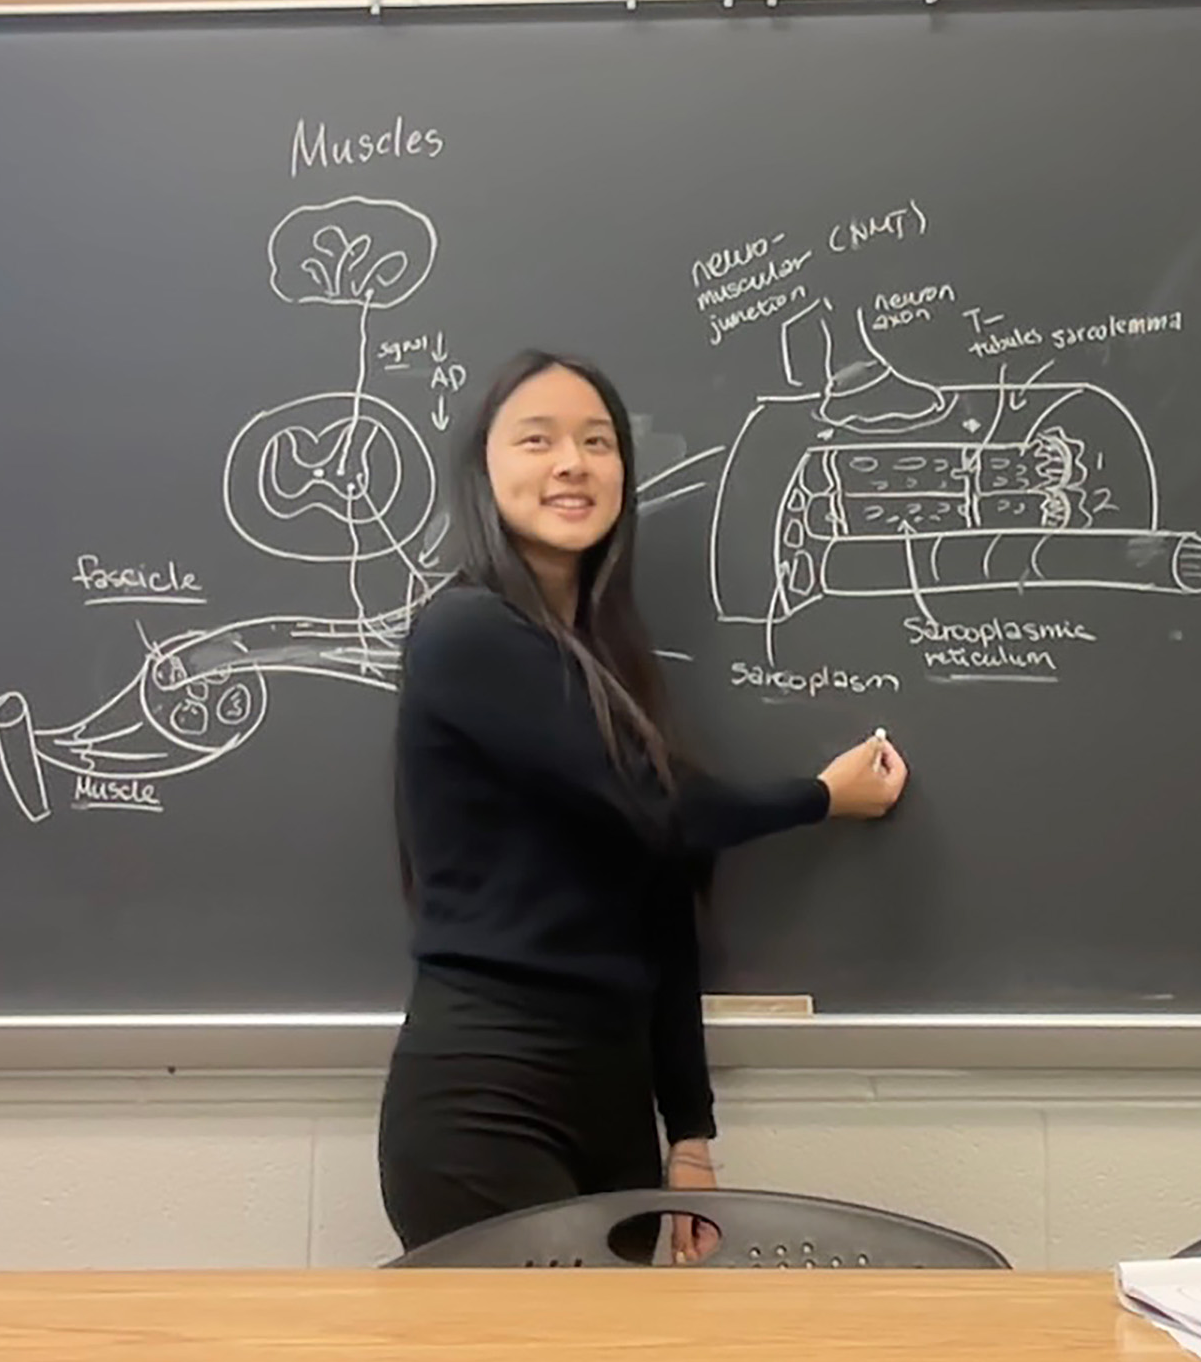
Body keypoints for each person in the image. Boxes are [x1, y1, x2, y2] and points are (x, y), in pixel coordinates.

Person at [376, 348, 907, 1261]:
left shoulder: (606, 666)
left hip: (609, 1099)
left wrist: (689, 1137)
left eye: (597, 441)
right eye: (536, 440)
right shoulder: (466, 633)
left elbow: (661, 897)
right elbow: (669, 812)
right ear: (483, 468)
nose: (572, 463)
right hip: (489, 1093)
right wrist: (822, 797)